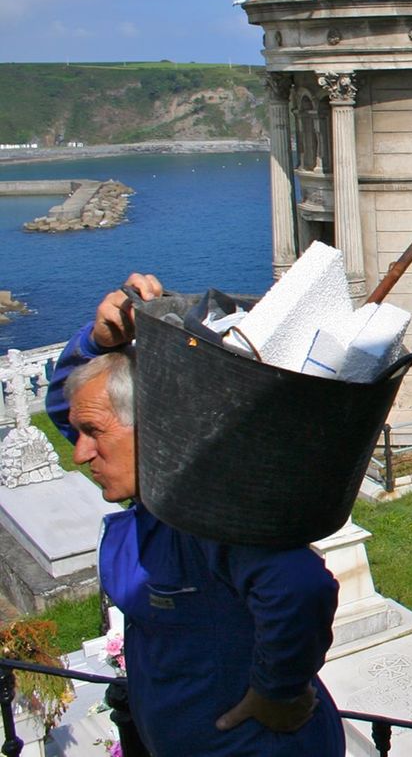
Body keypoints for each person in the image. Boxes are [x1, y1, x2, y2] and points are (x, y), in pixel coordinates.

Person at [47, 274, 345, 757]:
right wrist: (97, 342)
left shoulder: (207, 516)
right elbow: (75, 404)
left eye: (92, 433)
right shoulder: (153, 495)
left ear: (155, 426)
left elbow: (300, 586)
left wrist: (277, 692)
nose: (79, 453)